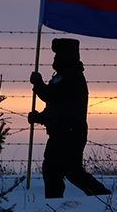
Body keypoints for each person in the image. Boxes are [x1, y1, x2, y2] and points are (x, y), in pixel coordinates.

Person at [28, 38, 111, 199]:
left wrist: (38, 84)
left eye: (57, 56)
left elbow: (53, 97)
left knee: (71, 170)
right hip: (62, 131)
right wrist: (40, 117)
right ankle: (54, 203)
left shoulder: (70, 77)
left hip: (69, 132)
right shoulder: (64, 76)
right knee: (51, 169)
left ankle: (103, 198)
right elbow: (59, 107)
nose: (54, 60)